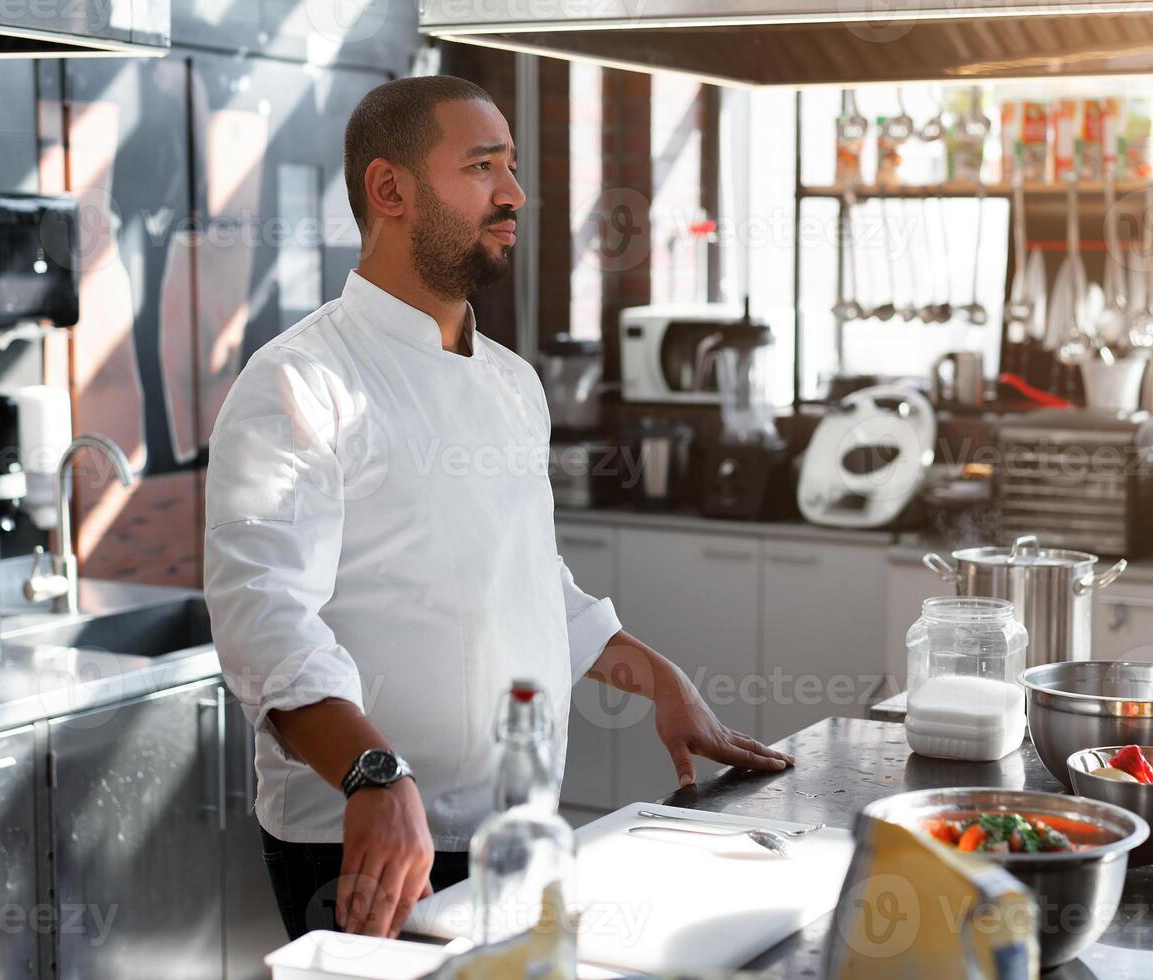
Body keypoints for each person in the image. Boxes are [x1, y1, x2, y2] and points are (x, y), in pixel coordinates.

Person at [203, 74, 794, 944]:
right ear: (390, 189)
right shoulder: (299, 382)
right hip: (364, 834)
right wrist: (373, 775)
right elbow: (263, 623)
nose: (513, 193)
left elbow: (522, 578)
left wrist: (652, 675)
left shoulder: (511, 382)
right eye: (482, 167)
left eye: (512, 166)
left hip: (510, 826)